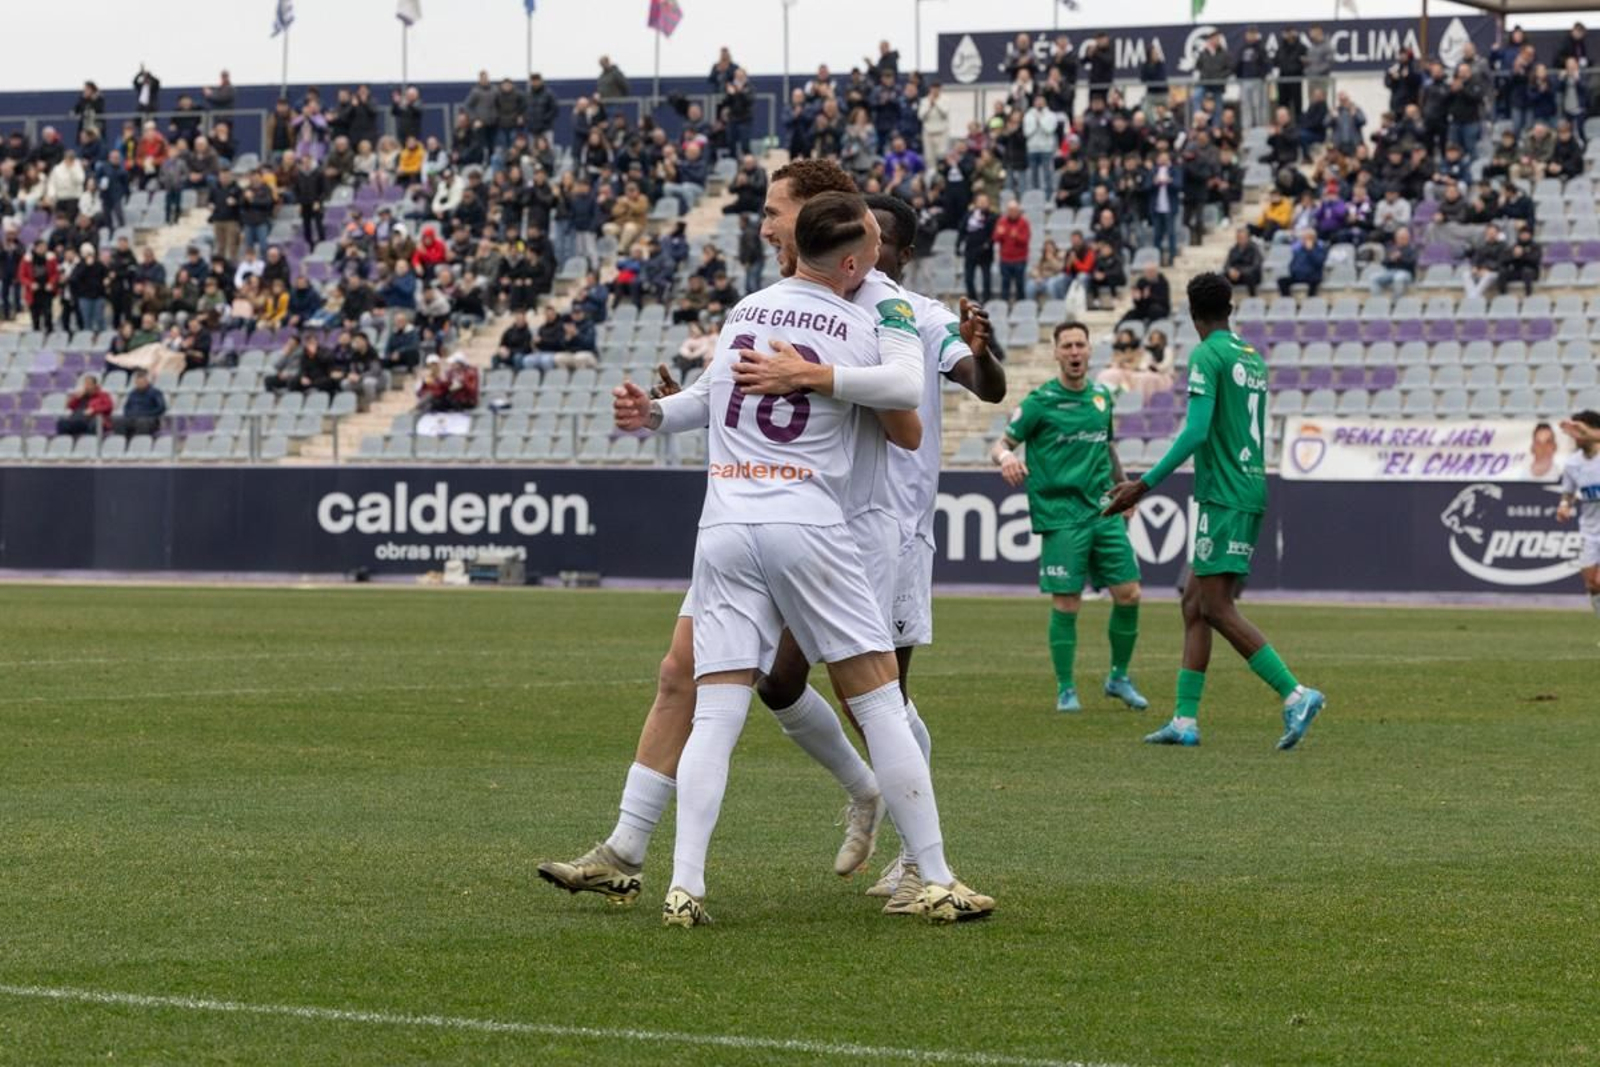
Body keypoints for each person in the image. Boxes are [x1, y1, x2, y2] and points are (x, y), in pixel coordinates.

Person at [538, 159, 996, 925]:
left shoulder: (881, 301)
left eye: (774, 212)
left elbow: (918, 412)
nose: (764, 225)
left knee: (866, 694)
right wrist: (656, 412)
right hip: (780, 513)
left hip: (849, 521)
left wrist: (813, 376)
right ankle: (628, 850)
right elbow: (720, 388)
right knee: (694, 674)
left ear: (820, 221)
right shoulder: (769, 304)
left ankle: (916, 859)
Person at [1104, 273, 1325, 750]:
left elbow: (1197, 431)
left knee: (1216, 607)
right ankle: (1185, 721)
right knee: (1193, 603)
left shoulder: (1208, 355)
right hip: (1247, 485)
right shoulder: (1252, 357)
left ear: (1190, 312)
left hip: (1223, 493)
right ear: (1231, 308)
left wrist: (1142, 485)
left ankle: (1295, 693)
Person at [991, 320, 1147, 714]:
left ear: (1089, 351)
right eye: (1068, 346)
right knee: (1067, 603)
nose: (1075, 352)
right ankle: (1065, 688)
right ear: (1056, 353)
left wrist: (1125, 487)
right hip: (1062, 515)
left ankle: (1119, 677)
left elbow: (1107, 446)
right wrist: (1007, 457)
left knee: (1129, 594)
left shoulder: (1100, 397)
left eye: (1081, 345)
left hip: (1103, 509)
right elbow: (1002, 443)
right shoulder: (1040, 401)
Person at [1556, 412, 1600, 625]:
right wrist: (1564, 506)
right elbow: (1568, 491)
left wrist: (1585, 431)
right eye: (1573, 432)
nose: (1576, 436)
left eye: (1579, 431)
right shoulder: (1573, 464)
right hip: (1590, 530)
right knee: (1592, 585)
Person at [993, 198, 1031, 304]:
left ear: (1018, 210)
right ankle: (1004, 305)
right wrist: (999, 234)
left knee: (1020, 284)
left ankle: (1021, 305)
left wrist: (1016, 236)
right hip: (1005, 259)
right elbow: (995, 238)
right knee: (1005, 284)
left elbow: (1025, 240)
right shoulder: (1002, 221)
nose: (1012, 212)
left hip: (1019, 259)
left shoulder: (1024, 223)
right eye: (1010, 210)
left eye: (1014, 210)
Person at [961, 193, 996, 303]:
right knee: (969, 278)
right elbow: (962, 229)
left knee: (986, 278)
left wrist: (987, 244)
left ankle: (986, 299)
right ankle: (973, 299)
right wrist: (958, 244)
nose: (982, 204)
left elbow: (994, 233)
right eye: (980, 201)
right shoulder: (969, 215)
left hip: (985, 252)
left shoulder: (992, 216)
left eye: (984, 201)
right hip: (970, 250)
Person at [112, 369, 165, 436]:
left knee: (141, 422)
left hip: (149, 418)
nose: (140, 384)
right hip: (133, 417)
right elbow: (126, 407)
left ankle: (140, 443)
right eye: (138, 383)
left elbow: (161, 408)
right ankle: (123, 442)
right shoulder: (132, 393)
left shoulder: (155, 392)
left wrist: (146, 414)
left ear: (146, 382)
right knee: (118, 421)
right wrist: (129, 414)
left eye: (142, 382)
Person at [1369, 227, 1418, 296]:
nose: (1401, 239)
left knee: (1398, 278)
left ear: (1408, 238)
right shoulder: (1391, 248)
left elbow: (1412, 263)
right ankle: (1377, 301)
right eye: (1399, 237)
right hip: (1391, 272)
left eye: (1403, 237)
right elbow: (1384, 262)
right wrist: (1391, 259)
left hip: (1406, 272)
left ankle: (1396, 303)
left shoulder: (1412, 249)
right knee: (1373, 278)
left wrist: (1401, 258)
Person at [1278, 229, 1327, 297]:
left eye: (1306, 238)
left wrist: (1310, 251)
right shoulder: (1300, 250)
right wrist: (1293, 270)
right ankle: (1288, 300)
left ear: (1313, 239)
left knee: (1313, 283)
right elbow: (1293, 263)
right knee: (1282, 281)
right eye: (1303, 238)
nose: (1303, 240)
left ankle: (1310, 301)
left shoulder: (1319, 249)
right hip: (1298, 276)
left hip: (1312, 277)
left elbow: (1319, 262)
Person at [1224, 228, 1263, 296]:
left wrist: (1240, 272)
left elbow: (1255, 266)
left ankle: (1253, 298)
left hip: (1250, 275)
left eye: (1242, 237)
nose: (1240, 239)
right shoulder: (1233, 249)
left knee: (1250, 276)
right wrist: (1230, 271)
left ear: (1248, 238)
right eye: (1239, 237)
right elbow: (1227, 265)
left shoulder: (1254, 249)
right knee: (1221, 277)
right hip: (1235, 275)